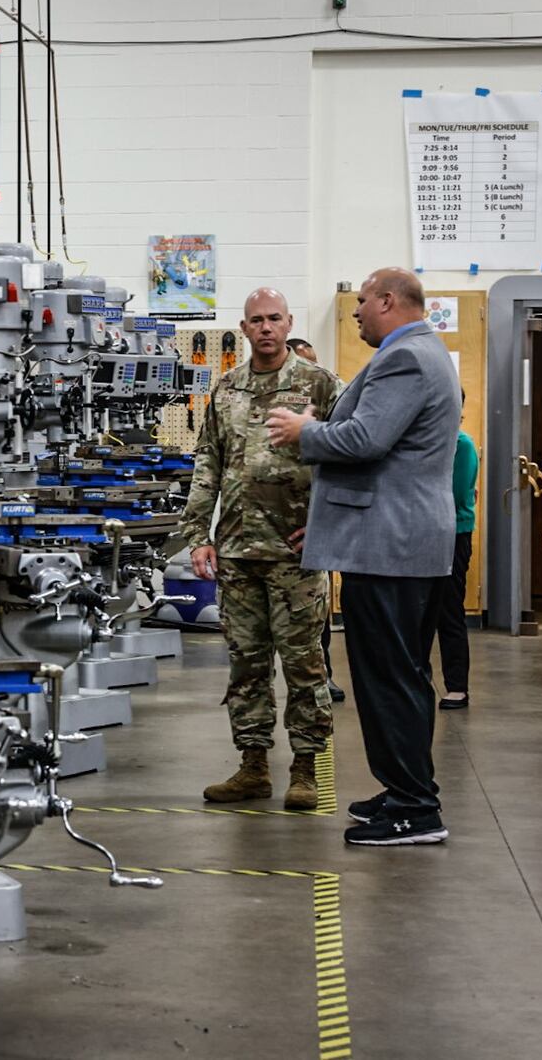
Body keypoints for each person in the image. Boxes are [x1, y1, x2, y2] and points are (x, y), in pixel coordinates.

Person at [265, 268, 461, 846]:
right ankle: (404, 788)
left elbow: (364, 441)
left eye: (360, 304)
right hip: (394, 542)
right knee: (399, 676)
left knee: (390, 679)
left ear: (388, 301)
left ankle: (415, 809)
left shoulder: (406, 359)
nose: (354, 314)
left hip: (391, 547)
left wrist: (305, 430)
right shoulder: (425, 354)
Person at [179, 289, 342, 810]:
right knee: (246, 665)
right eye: (256, 321)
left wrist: (327, 524)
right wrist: (198, 534)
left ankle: (306, 768)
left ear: (289, 322)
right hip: (237, 551)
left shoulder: (320, 385)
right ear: (244, 329)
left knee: (303, 666)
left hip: (296, 554)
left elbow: (349, 457)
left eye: (274, 319)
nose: (266, 327)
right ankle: (252, 766)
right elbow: (208, 462)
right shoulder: (226, 388)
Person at [288, 336, 347, 705]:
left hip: (314, 523)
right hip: (267, 527)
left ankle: (323, 673)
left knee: (318, 611)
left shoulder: (328, 400)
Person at [436, 403, 479, 710]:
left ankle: (457, 687)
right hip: (426, 534)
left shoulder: (461, 444)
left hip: (453, 534)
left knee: (449, 611)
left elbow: (454, 494)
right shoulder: (432, 440)